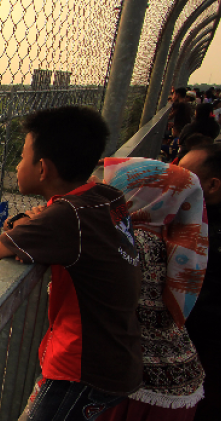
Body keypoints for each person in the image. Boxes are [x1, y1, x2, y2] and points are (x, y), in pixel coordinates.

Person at [0, 105, 142, 421]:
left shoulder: (66, 218)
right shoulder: (104, 196)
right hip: (114, 353)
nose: (18, 165)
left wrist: (26, 233)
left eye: (22, 157)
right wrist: (30, 226)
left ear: (43, 169)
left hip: (83, 369)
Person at [100, 158, 207, 421]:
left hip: (142, 385)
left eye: (110, 188)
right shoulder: (172, 237)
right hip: (177, 380)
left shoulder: (131, 242)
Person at [178, 144, 221, 420]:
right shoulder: (197, 217)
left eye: (184, 178)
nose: (175, 184)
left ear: (213, 185)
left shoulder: (208, 232)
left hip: (206, 349)